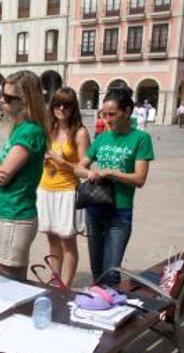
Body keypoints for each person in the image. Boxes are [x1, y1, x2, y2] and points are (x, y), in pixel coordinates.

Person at [76, 86, 154, 285]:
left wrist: (112, 172)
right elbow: (80, 168)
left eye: (112, 114)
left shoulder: (140, 139)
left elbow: (140, 179)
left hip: (120, 212)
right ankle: (99, 305)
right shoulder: (102, 138)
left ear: (127, 111)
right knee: (96, 270)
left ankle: (112, 307)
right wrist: (90, 173)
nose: (107, 119)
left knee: (111, 271)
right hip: (95, 208)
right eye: (104, 114)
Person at [0, 71, 48, 280]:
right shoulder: (19, 129)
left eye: (10, 97)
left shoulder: (30, 131)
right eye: (2, 94)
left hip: (16, 215)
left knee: (11, 283)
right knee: (2, 277)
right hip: (6, 213)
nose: (2, 100)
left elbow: (3, 175)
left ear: (27, 100)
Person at [37, 87, 89, 288]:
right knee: (51, 238)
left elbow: (85, 170)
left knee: (67, 241)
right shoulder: (49, 129)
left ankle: (65, 285)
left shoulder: (80, 133)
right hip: (46, 189)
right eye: (57, 103)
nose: (60, 108)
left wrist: (62, 162)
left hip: (68, 192)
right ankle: (54, 278)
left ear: (73, 107)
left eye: (66, 105)